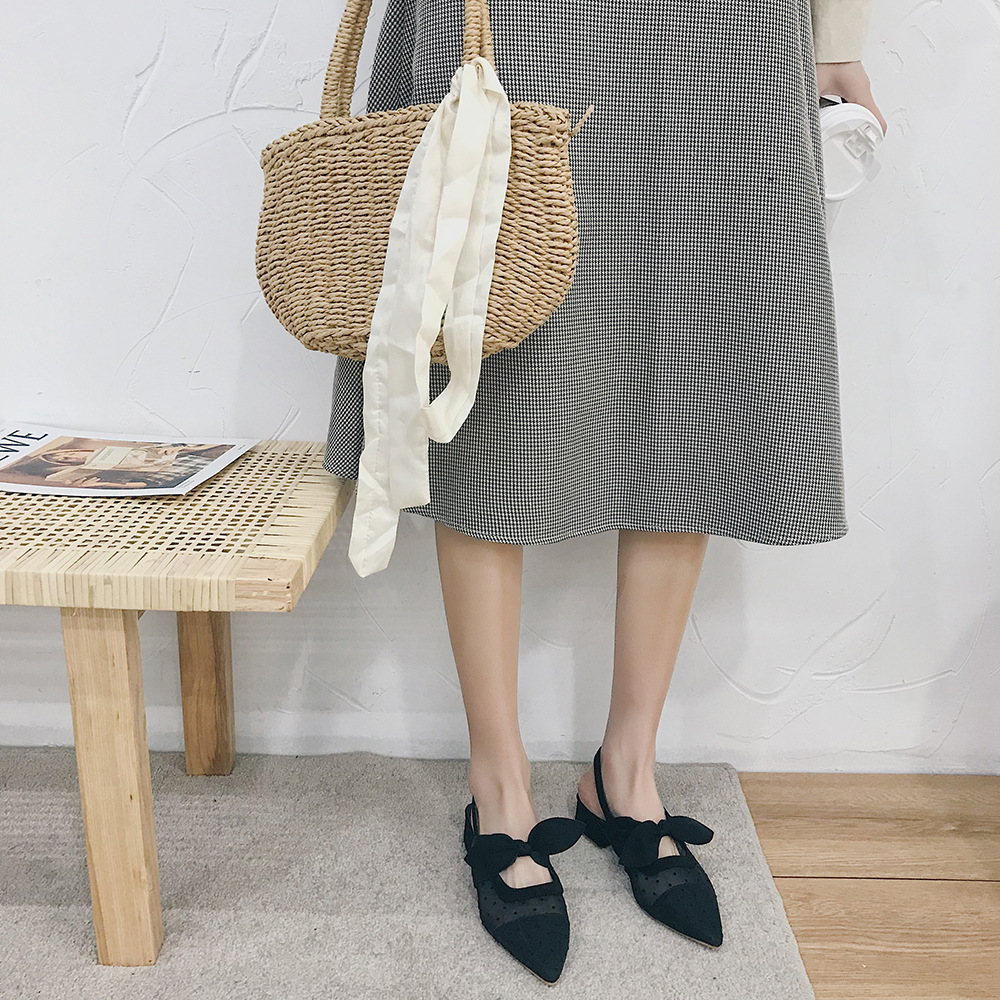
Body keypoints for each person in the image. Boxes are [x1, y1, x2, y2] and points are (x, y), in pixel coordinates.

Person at [323, 0, 886, 983]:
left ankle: (626, 771)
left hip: (729, 26)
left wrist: (835, 38)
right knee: (491, 340)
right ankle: (499, 786)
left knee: (694, 340)